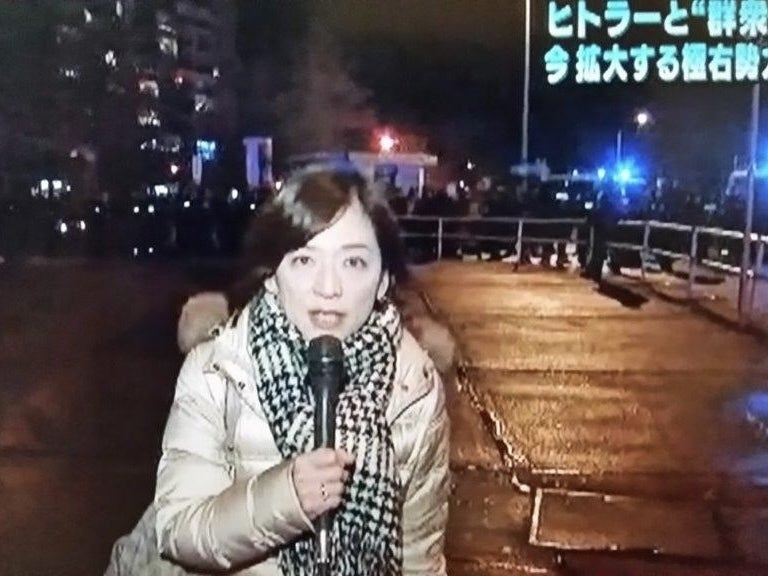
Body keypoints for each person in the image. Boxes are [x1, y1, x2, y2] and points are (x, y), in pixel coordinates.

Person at [156, 165, 451, 575]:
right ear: (272, 276)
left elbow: (419, 558)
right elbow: (179, 528)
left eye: (353, 262)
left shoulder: (414, 390)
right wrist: (283, 499)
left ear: (383, 279)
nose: (328, 288)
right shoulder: (217, 372)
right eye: (304, 260)